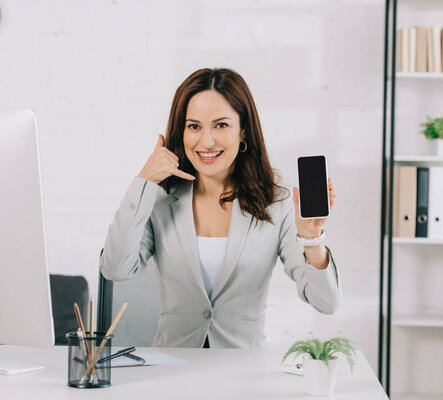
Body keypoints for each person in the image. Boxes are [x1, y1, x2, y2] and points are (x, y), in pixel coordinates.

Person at [100, 68, 341, 349]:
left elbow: (326, 302)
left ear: (243, 132)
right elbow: (115, 269)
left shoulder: (276, 204)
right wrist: (144, 181)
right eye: (194, 126)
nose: (207, 141)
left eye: (221, 125)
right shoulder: (160, 200)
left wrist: (312, 239)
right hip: (174, 372)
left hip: (242, 375)